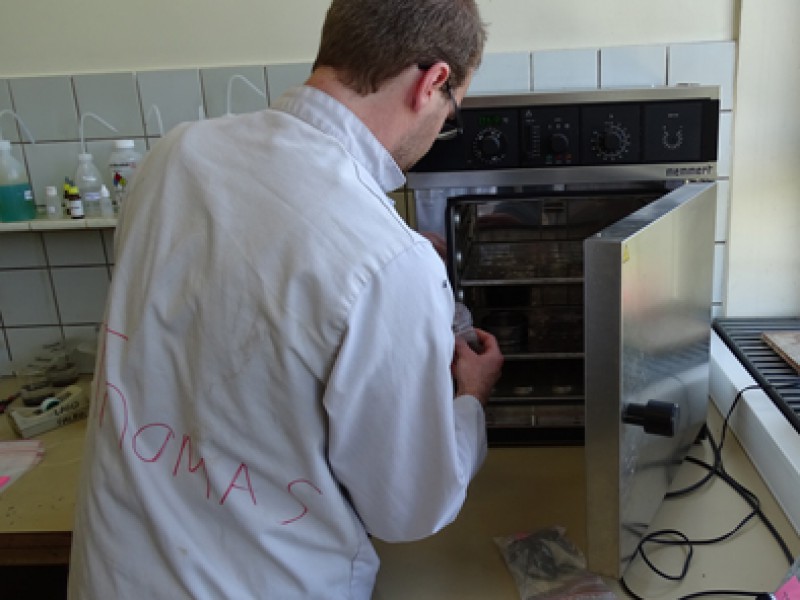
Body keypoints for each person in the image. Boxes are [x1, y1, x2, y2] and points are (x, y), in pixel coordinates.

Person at [67, 0, 503, 598]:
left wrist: (394, 276)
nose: (439, 127)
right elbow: (408, 509)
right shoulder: (388, 261)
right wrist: (470, 397)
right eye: (450, 112)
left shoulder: (174, 156)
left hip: (114, 577)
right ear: (433, 83)